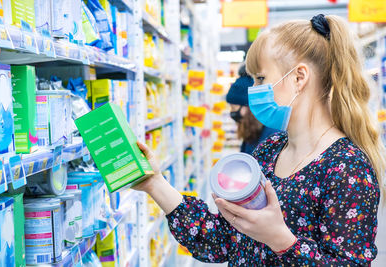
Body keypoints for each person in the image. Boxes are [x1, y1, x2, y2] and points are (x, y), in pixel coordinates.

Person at [135, 14, 385, 265]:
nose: (252, 89)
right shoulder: (270, 150)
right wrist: (154, 183)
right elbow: (223, 240)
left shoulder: (348, 168)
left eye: (261, 78)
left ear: (299, 78)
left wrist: (281, 240)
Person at [226, 65, 278, 154]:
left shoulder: (273, 137)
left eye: (234, 107)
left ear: (250, 106)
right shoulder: (253, 132)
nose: (232, 112)